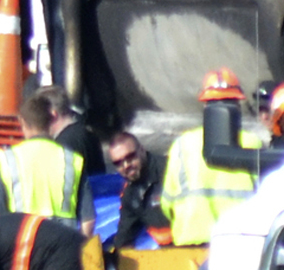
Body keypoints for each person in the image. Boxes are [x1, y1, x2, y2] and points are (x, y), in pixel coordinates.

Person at [157, 70, 258, 245]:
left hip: (190, 247)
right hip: (240, 244)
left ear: (205, 107)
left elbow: (167, 204)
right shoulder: (251, 142)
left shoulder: (181, 145)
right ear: (237, 107)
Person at [0, 90, 86, 225]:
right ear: (51, 119)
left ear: (22, 122)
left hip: (22, 242)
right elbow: (88, 220)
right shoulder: (73, 160)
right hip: (64, 242)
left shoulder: (6, 160)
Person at [105, 130, 164, 244]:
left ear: (141, 150)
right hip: (168, 254)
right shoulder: (130, 194)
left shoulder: (169, 171)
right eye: (118, 163)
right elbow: (125, 236)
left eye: (130, 157)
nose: (126, 165)